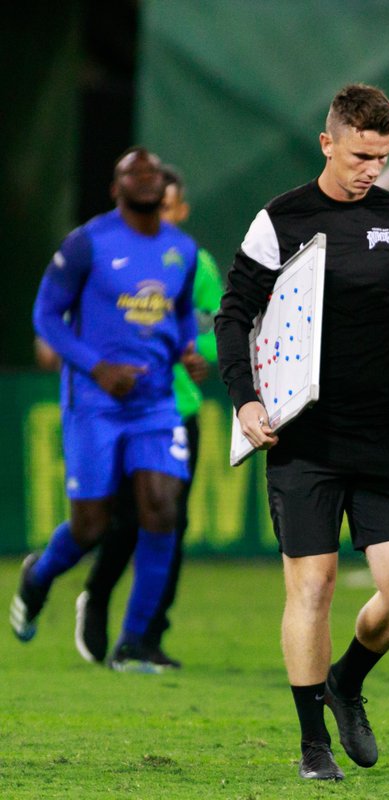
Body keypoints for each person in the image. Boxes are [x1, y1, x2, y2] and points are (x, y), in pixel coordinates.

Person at [214, 83, 389, 782]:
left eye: (381, 157)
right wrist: (245, 401)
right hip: (304, 437)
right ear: (328, 143)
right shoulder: (281, 219)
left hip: (385, 431)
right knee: (312, 586)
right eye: (359, 156)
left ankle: (347, 680)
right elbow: (233, 317)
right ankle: (312, 743)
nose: (371, 170)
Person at [11, 147, 204, 674]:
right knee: (91, 527)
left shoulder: (182, 251)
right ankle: (39, 575)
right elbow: (46, 316)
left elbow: (183, 314)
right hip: (95, 403)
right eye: (132, 172)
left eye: (153, 172)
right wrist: (95, 368)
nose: (145, 177)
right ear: (115, 188)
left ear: (165, 187)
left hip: (155, 403)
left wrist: (189, 350)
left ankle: (134, 643)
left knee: (163, 509)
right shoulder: (86, 243)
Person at [64, 165, 222, 669]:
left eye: (169, 206)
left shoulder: (196, 265)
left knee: (169, 523)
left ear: (181, 210)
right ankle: (97, 594)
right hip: (120, 411)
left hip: (177, 411)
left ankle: (145, 638)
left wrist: (194, 352)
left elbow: (223, 330)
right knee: (122, 521)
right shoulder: (110, 255)